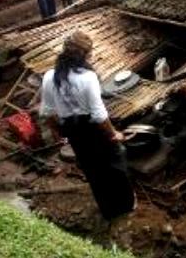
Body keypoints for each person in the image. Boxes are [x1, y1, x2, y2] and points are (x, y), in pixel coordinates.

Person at [40, 31, 135, 221]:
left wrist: (60, 132)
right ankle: (126, 206)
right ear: (85, 55)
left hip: (73, 131)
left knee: (93, 170)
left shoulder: (49, 76)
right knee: (116, 164)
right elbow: (99, 116)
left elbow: (47, 113)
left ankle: (108, 210)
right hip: (93, 128)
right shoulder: (88, 77)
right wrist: (114, 134)